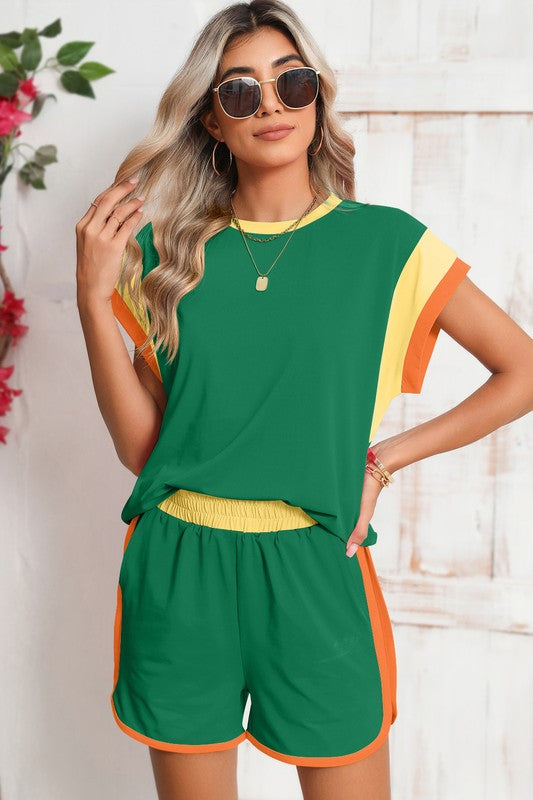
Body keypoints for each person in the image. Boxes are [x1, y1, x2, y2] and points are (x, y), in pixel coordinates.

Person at [75, 2, 533, 798]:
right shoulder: (162, 257)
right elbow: (142, 450)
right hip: (180, 568)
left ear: (317, 97)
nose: (271, 105)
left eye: (291, 82)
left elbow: (520, 369)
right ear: (212, 120)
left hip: (316, 567)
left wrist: (381, 461)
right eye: (240, 91)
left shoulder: (386, 244)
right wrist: (90, 300)